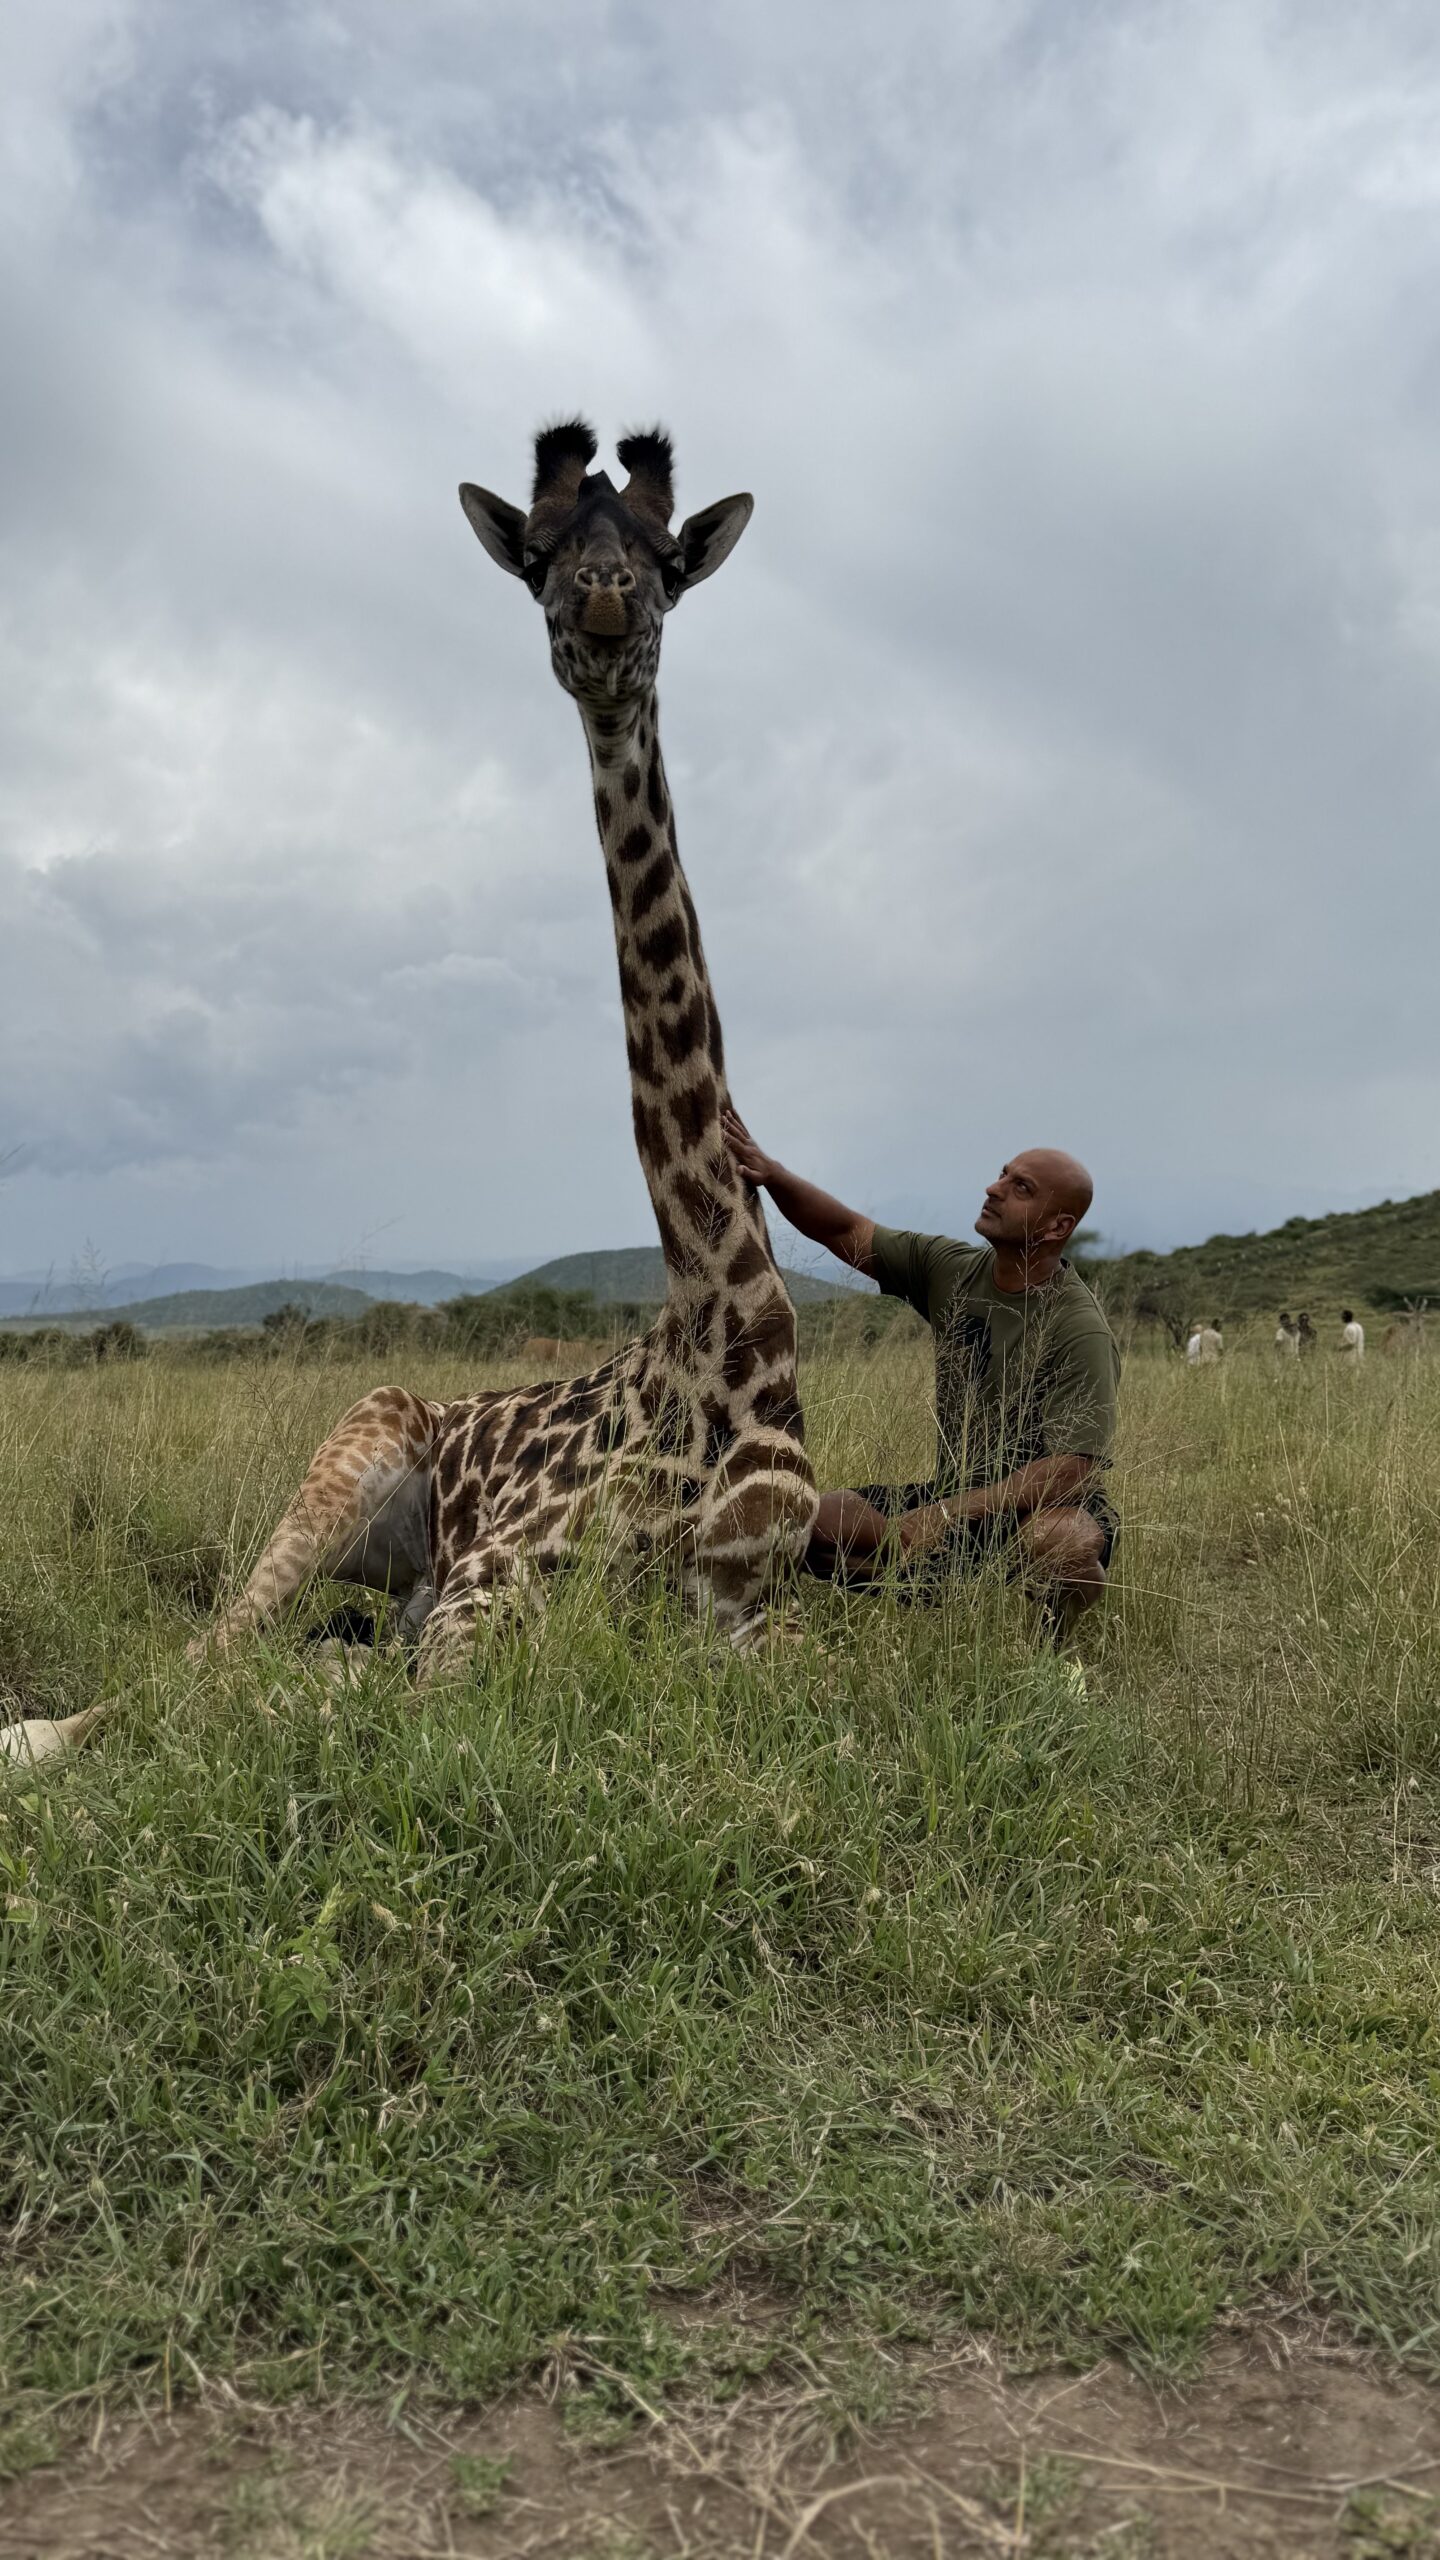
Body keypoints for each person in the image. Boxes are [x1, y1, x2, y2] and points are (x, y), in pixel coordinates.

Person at [721, 1112, 1120, 1635]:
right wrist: (773, 1174)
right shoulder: (951, 1269)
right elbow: (846, 1231)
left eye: (1020, 1187)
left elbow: (1072, 1470)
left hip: (1040, 1509)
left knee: (1061, 1542)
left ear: (1057, 1227)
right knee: (812, 1522)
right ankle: (947, 1593)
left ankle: (1052, 1646)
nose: (994, 1188)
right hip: (956, 1495)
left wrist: (945, 1515)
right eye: (1002, 1174)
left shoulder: (1080, 1328)